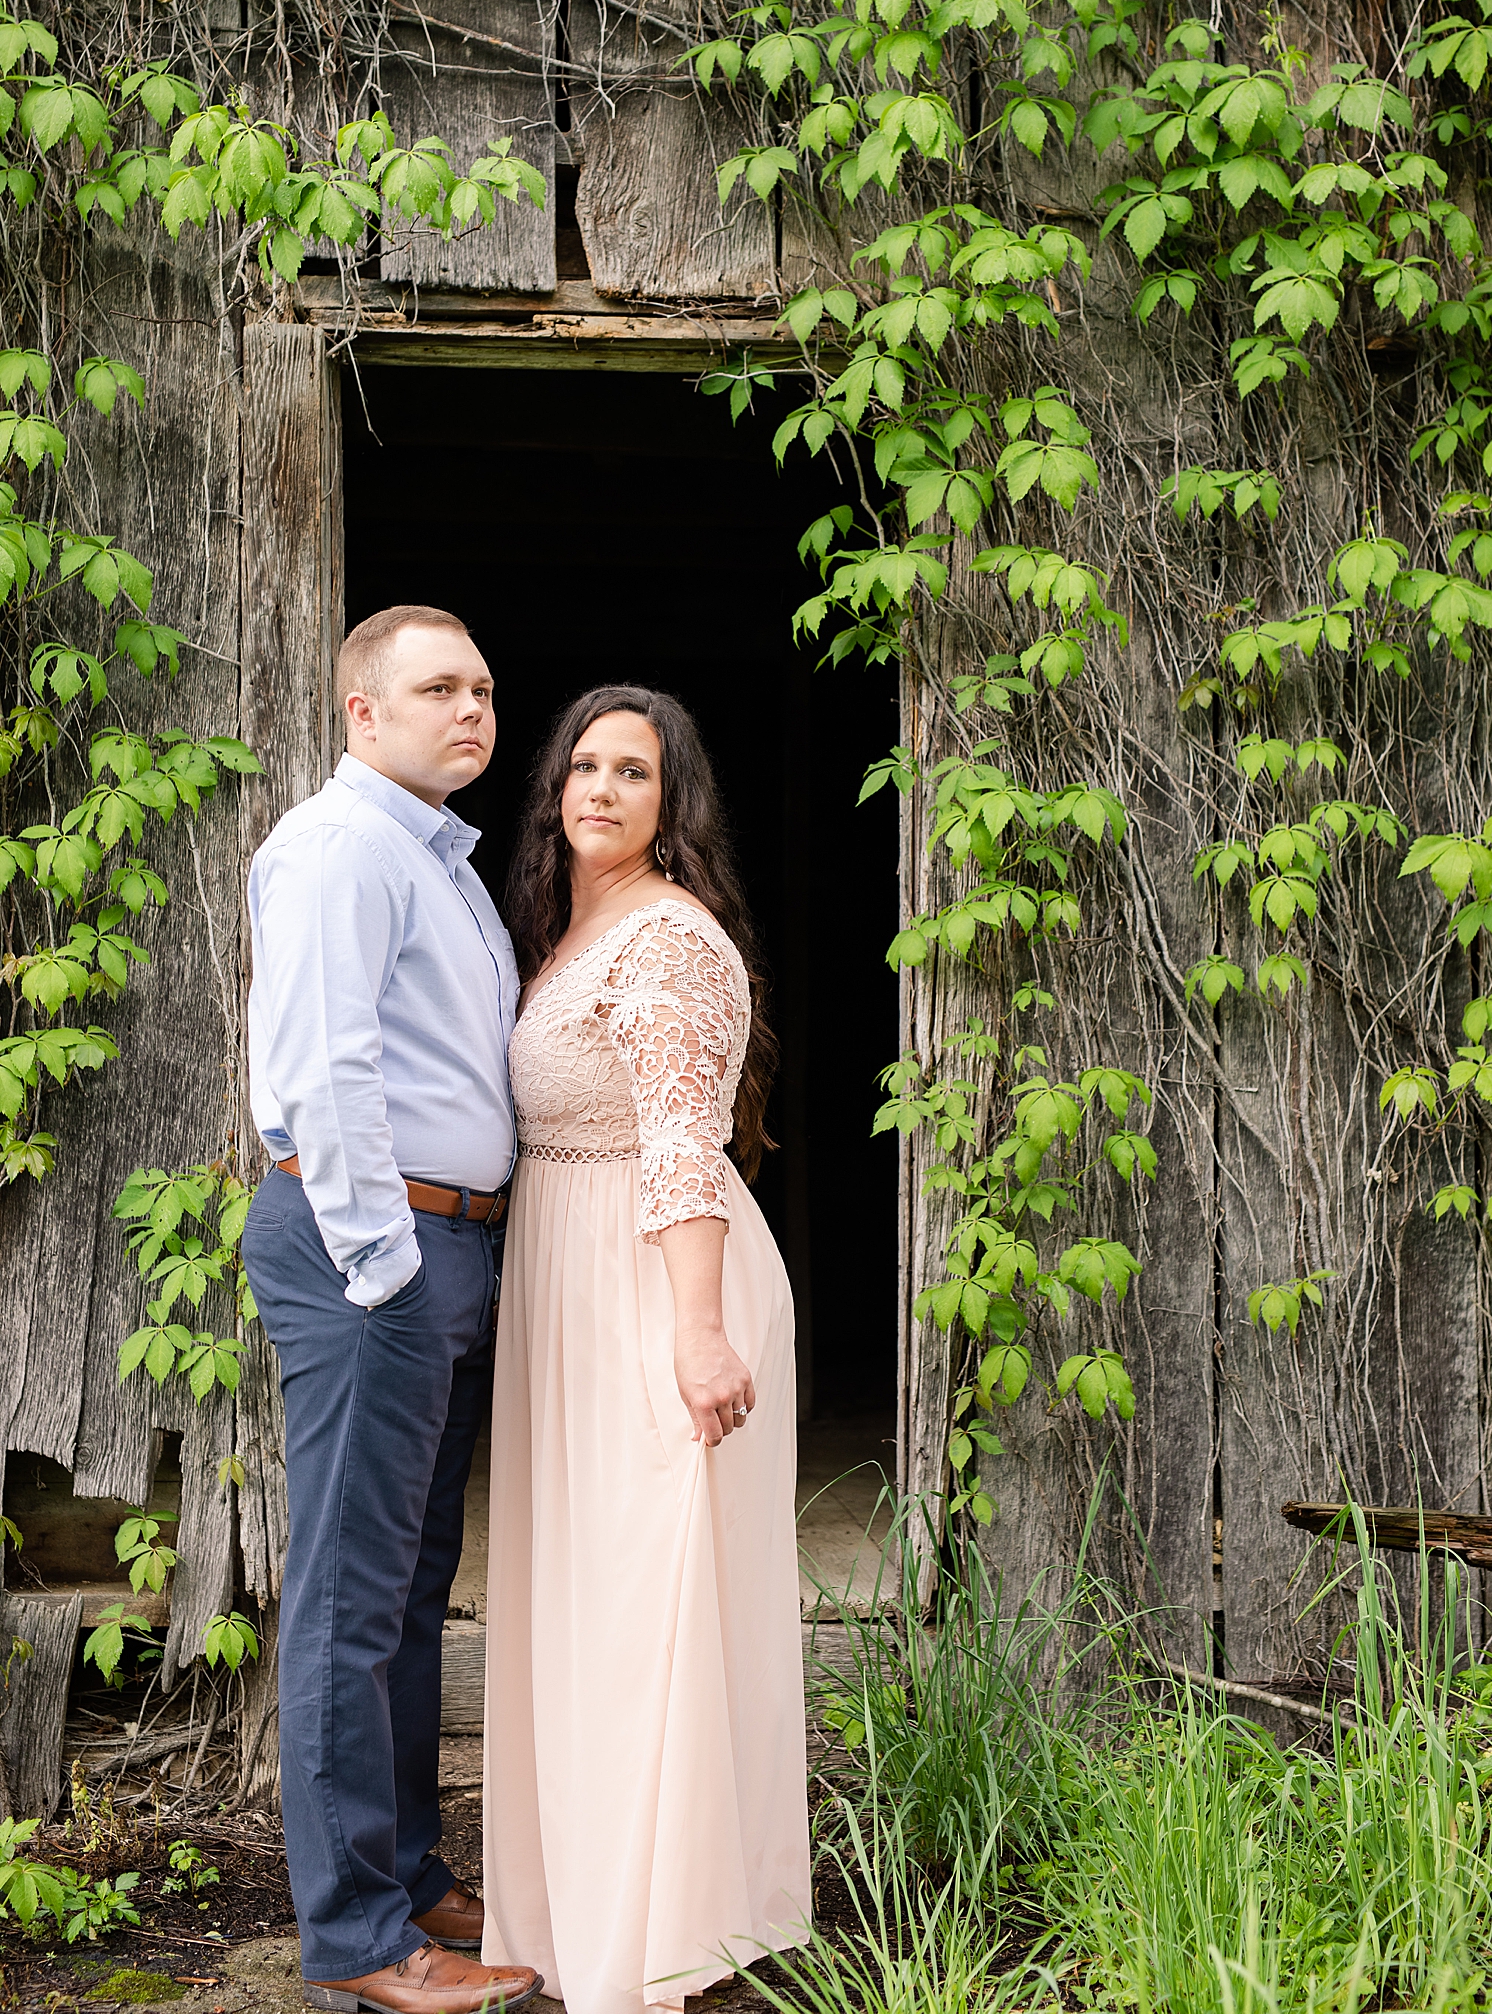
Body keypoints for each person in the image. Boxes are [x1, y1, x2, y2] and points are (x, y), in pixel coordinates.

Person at [481, 685, 811, 2014]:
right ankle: (579, 1905)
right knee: (575, 1599)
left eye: (634, 770)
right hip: (568, 1267)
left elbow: (685, 1136)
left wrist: (694, 1327)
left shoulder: (667, 938)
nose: (600, 787)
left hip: (653, 1278)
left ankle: (653, 1935)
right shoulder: (572, 927)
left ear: (675, 802)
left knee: (637, 1609)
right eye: (583, 764)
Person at [241, 605, 543, 2014]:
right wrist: (382, 1268)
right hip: (381, 1248)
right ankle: (360, 1939)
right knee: (353, 1599)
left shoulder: (439, 861)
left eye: (482, 688)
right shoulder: (339, 848)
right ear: (362, 711)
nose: (471, 708)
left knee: (413, 1590)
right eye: (438, 687)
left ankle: (410, 1869)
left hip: (441, 1244)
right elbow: (328, 1065)